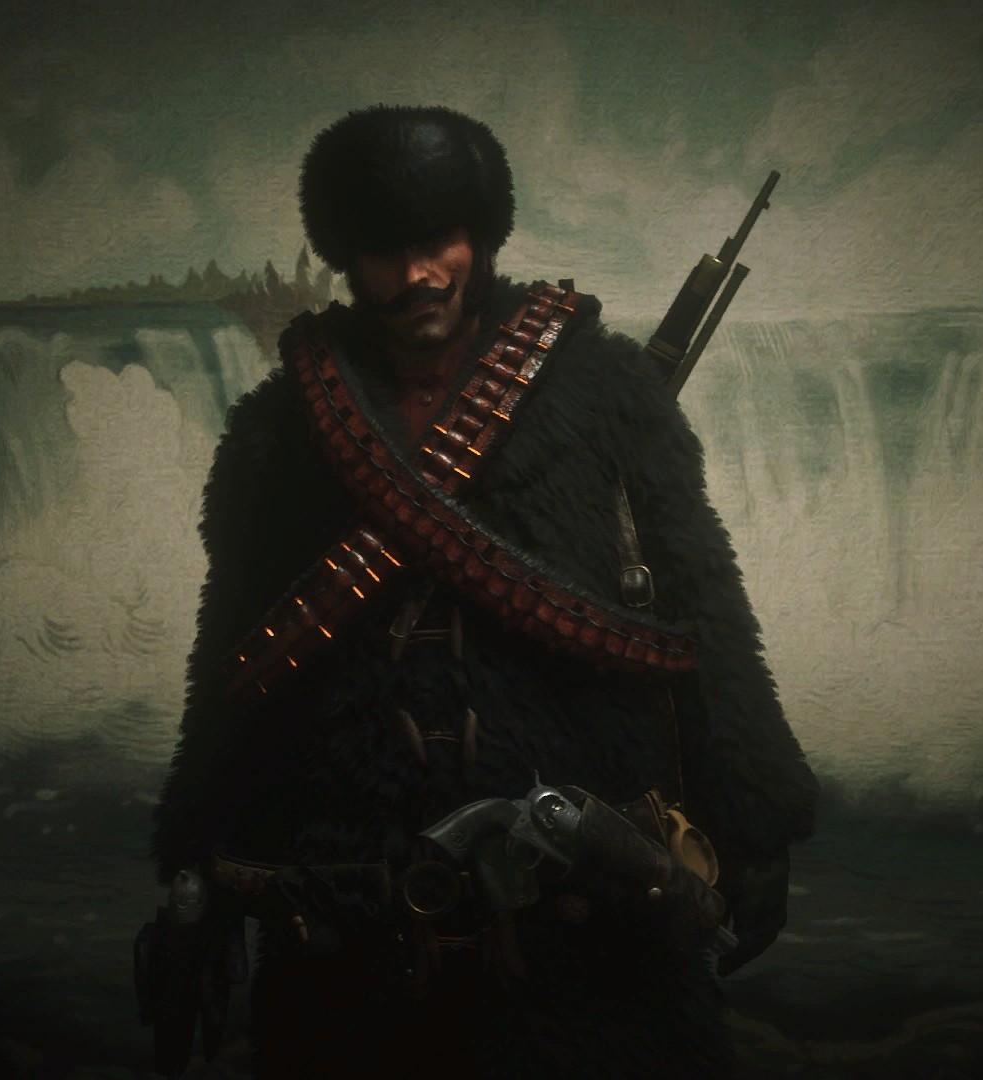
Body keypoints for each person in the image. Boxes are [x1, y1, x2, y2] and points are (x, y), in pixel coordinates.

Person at [145, 104, 816, 1078]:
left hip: (584, 904)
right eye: (385, 249)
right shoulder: (277, 432)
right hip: (353, 915)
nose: (418, 274)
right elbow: (240, 664)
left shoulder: (608, 392)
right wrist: (197, 866)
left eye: (438, 240)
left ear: (484, 236)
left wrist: (755, 829)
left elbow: (700, 608)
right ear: (346, 259)